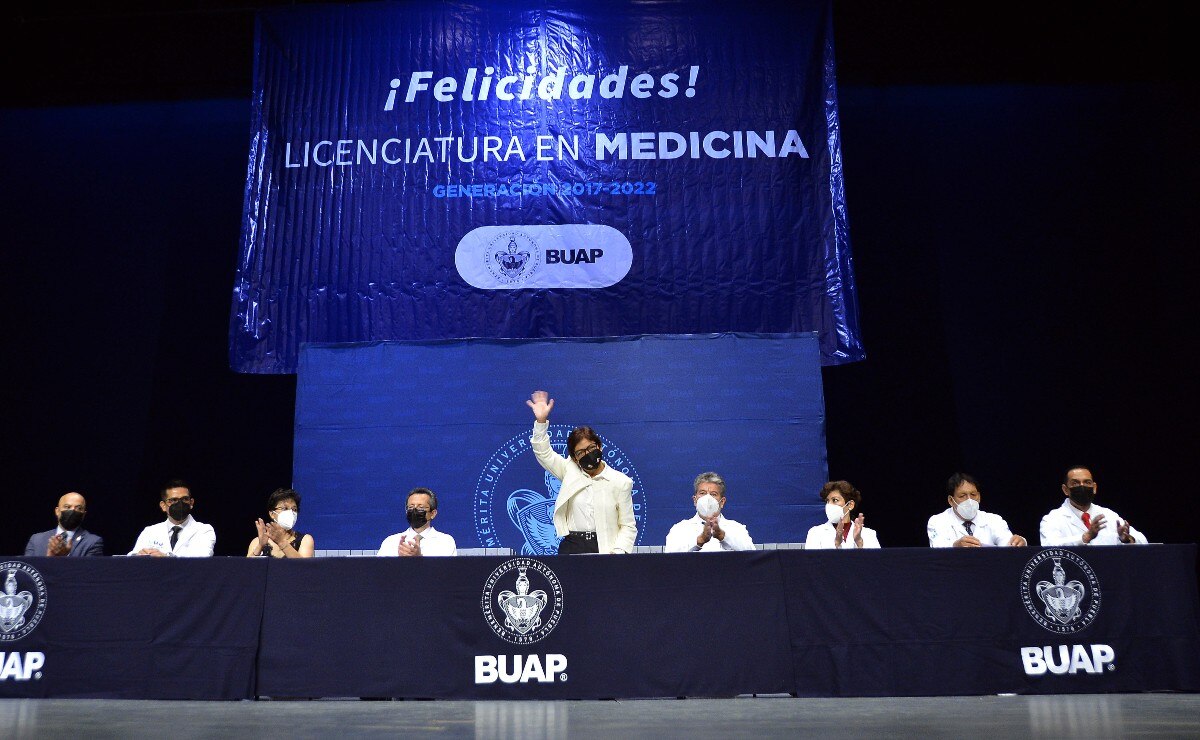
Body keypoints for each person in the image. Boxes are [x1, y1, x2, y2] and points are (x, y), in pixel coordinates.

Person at [527, 390, 637, 555]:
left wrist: (618, 552)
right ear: (575, 458)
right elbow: (544, 453)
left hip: (606, 549)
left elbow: (628, 526)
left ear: (599, 446)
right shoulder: (569, 470)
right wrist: (541, 422)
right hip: (572, 546)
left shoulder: (621, 482)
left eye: (591, 448)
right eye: (580, 452)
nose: (588, 454)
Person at [1039, 466, 1147, 546]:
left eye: (1087, 482)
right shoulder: (1052, 519)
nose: (1082, 486)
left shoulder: (1108, 515)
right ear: (1065, 489)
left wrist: (1127, 539)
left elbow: (1144, 541)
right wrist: (1086, 537)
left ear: (1094, 488)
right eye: (1075, 483)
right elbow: (1049, 547)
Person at [927, 472, 1027, 547]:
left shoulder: (994, 520)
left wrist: (1018, 542)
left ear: (979, 496)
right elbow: (937, 550)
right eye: (962, 496)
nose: (969, 500)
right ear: (950, 500)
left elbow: (1007, 545)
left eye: (973, 494)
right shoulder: (937, 521)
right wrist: (955, 547)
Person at [664, 472, 756, 552]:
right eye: (702, 493)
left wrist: (722, 536)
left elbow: (751, 556)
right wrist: (699, 541)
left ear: (722, 502)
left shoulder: (737, 528)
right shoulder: (679, 529)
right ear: (695, 500)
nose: (707, 498)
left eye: (713, 494)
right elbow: (669, 558)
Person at [128, 479, 216, 557]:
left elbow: (201, 558)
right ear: (163, 506)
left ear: (191, 503)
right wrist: (138, 555)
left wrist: (166, 558)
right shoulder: (150, 532)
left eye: (185, 499)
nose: (180, 504)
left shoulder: (204, 530)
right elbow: (131, 559)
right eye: (174, 500)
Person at [377, 487, 457, 557]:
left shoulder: (446, 541)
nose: (414, 510)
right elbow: (379, 568)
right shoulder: (390, 542)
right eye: (411, 507)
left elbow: (447, 569)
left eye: (421, 507)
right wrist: (400, 561)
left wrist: (419, 559)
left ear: (433, 513)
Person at [24, 491, 105, 557]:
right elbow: (29, 568)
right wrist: (50, 559)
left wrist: (64, 558)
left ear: (83, 514)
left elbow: (89, 570)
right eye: (67, 507)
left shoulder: (93, 542)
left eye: (79, 508)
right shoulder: (36, 539)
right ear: (57, 511)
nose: (73, 510)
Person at [804, 480, 880, 550]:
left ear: (850, 505)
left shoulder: (868, 534)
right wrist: (837, 545)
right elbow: (812, 560)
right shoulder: (815, 533)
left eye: (835, 500)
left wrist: (859, 543)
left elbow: (876, 560)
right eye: (827, 501)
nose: (829, 505)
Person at [247, 488, 315, 558]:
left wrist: (281, 542)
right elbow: (247, 564)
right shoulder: (257, 541)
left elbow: (303, 564)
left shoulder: (305, 540)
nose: (290, 513)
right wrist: (260, 546)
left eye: (294, 509)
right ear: (272, 514)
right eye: (285, 508)